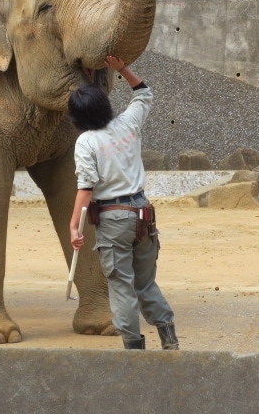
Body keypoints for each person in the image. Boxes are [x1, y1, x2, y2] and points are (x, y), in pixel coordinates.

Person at [68, 55, 178, 350]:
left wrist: (73, 227)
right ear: (104, 106)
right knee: (145, 285)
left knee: (121, 287)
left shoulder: (86, 142)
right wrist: (121, 69)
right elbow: (143, 92)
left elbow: (86, 189)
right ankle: (169, 340)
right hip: (143, 214)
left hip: (114, 219)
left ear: (77, 118)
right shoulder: (128, 123)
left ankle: (134, 351)